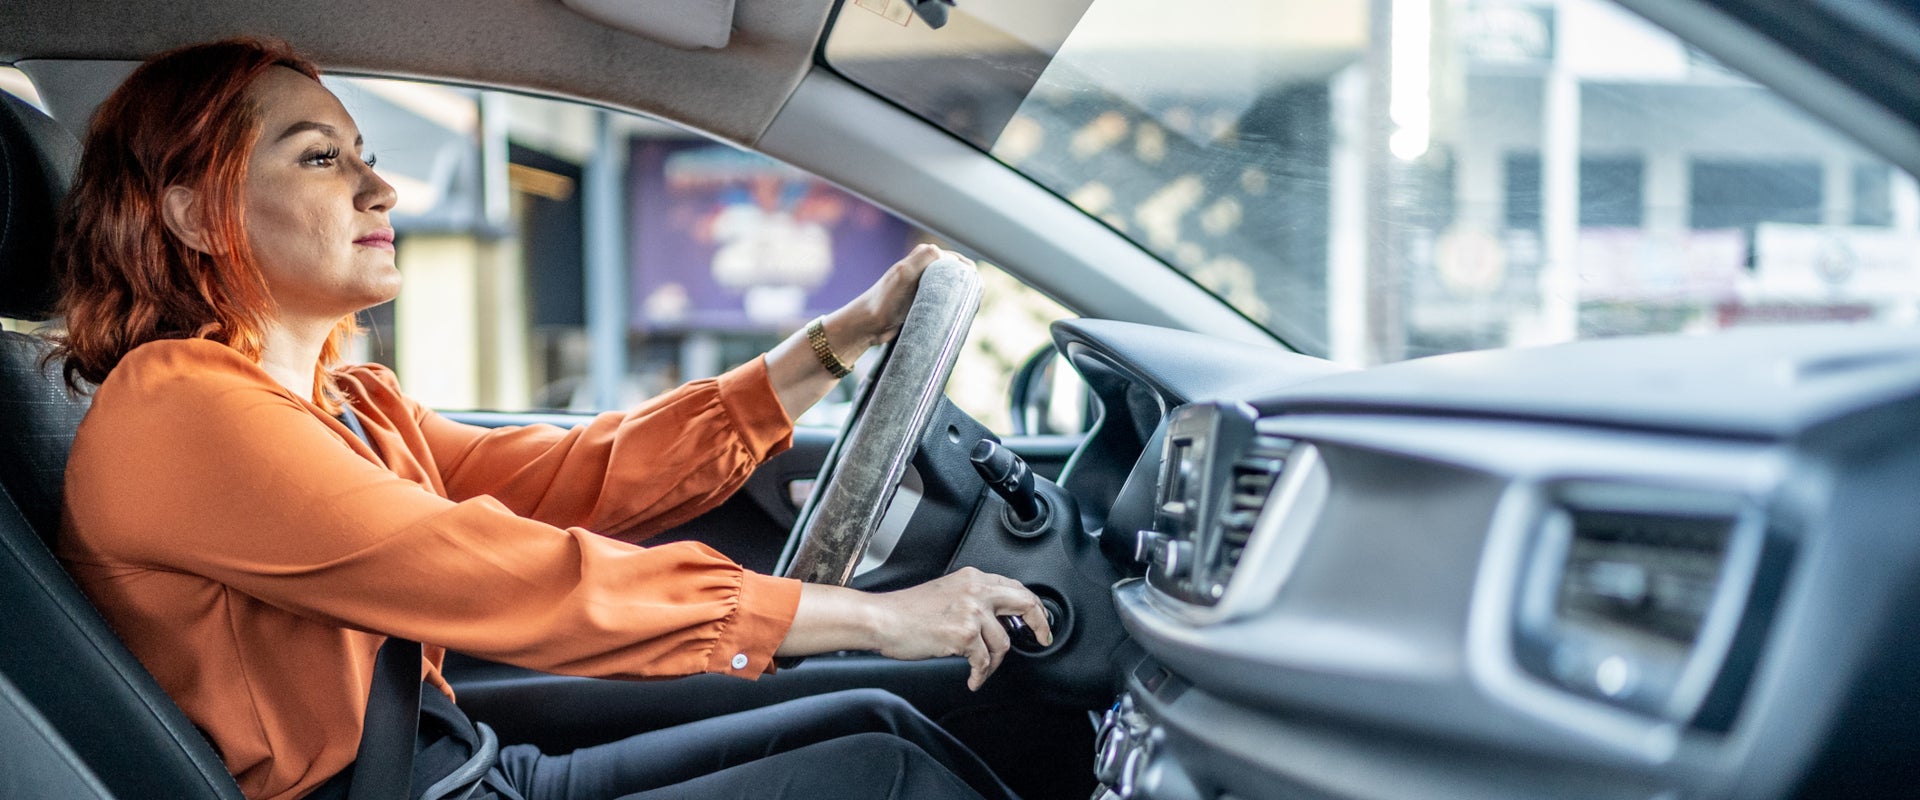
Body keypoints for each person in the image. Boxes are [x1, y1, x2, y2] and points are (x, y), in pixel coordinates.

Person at [51, 38, 1050, 800]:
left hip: (467, 767)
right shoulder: (179, 411)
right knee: (877, 775)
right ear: (192, 213)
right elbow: (507, 573)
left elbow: (582, 475)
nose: (380, 187)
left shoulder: (347, 399)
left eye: (362, 154)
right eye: (319, 160)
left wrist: (841, 337)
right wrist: (876, 614)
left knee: (877, 725)